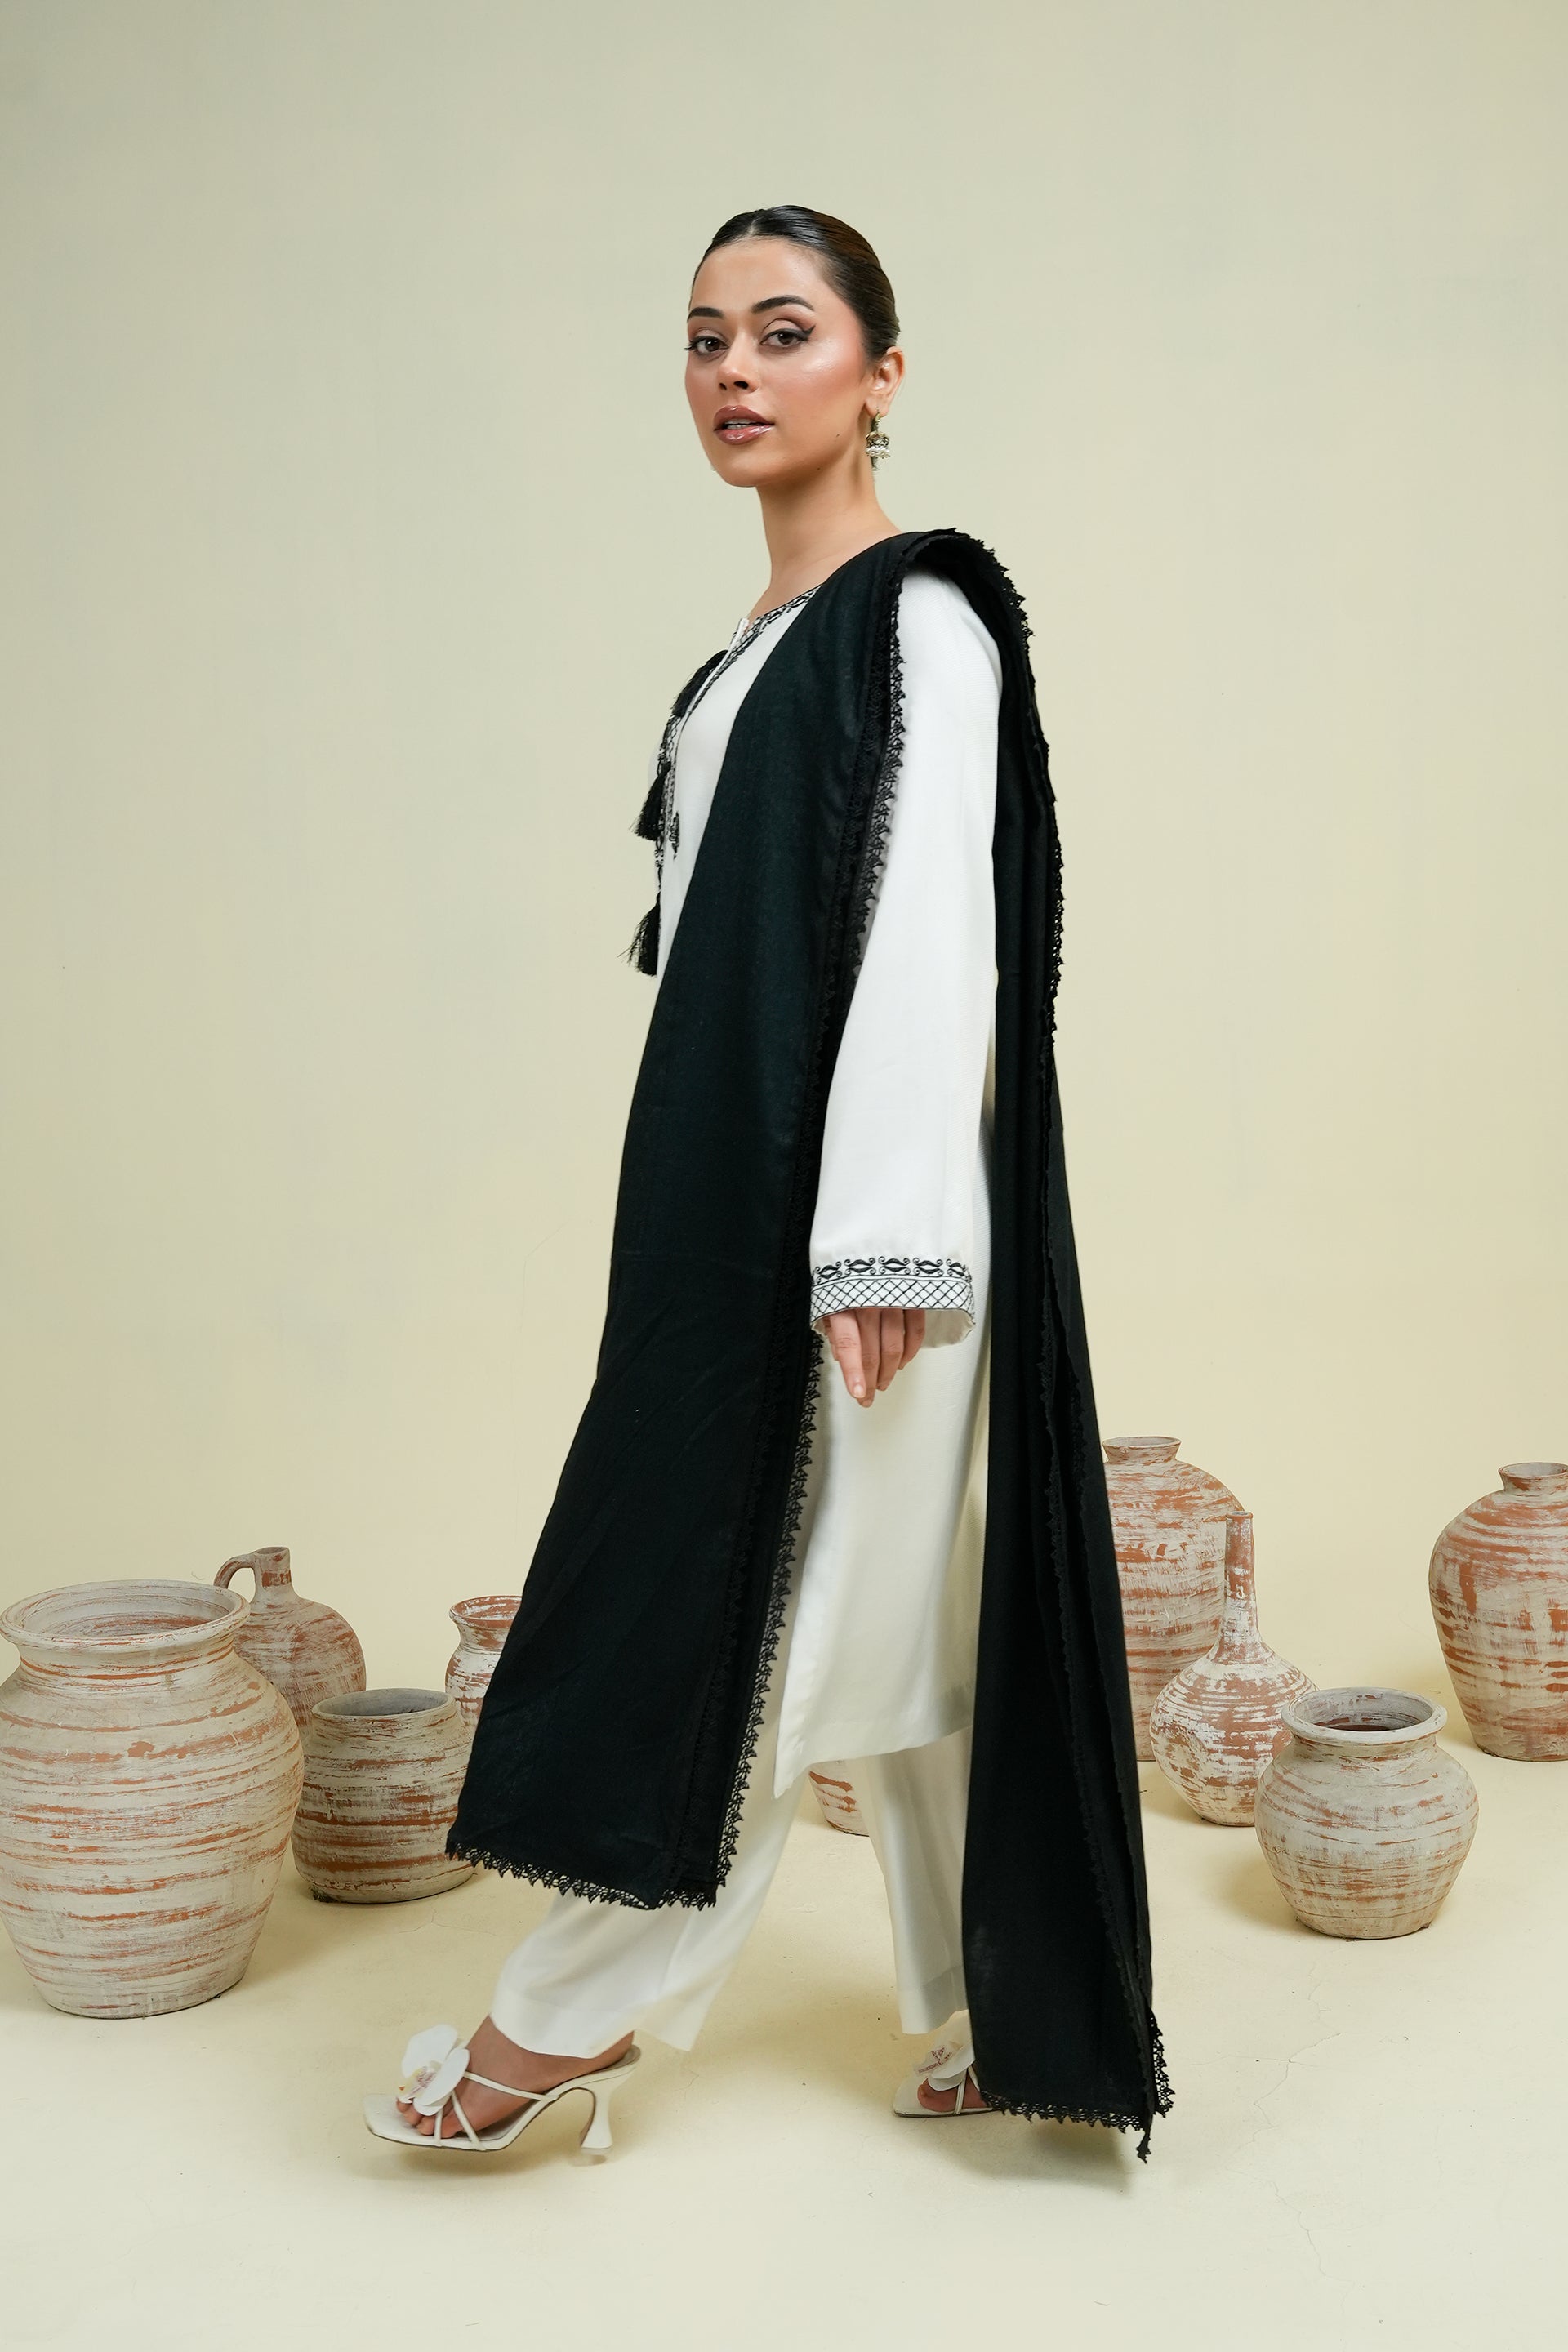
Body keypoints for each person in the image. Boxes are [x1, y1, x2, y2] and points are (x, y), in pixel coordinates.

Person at [363, 205, 1169, 2163]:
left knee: (770, 1625)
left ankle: (562, 2022)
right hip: (754, 1201)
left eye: (784, 331)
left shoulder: (922, 619)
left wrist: (883, 1240)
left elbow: (932, 935)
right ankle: (1005, 2011)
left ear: (881, 371)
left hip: (870, 1232)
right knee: (915, 1612)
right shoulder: (766, 645)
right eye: (705, 336)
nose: (734, 369)